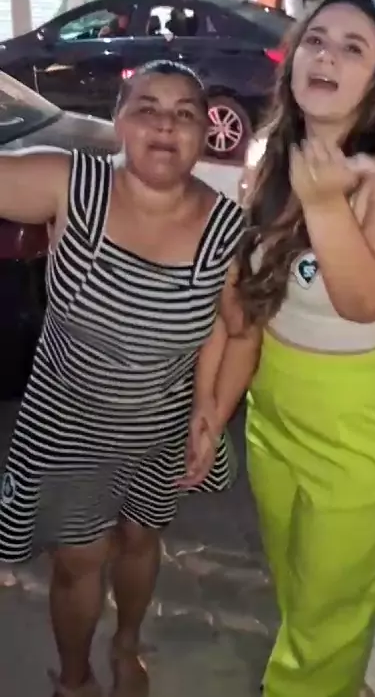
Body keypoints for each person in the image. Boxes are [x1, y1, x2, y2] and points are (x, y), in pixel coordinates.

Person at [196, 0, 375, 697]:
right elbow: (245, 311)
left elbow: (366, 302)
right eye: (316, 39)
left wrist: (328, 204)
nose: (327, 55)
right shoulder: (267, 155)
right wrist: (211, 409)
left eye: (352, 48)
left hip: (363, 427)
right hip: (275, 415)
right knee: (300, 591)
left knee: (331, 611)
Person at [0, 60, 255, 697]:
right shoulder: (72, 183)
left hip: (159, 430)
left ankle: (127, 645)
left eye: (184, 114)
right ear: (118, 123)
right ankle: (75, 680)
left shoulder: (226, 230)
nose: (165, 125)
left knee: (141, 541)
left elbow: (241, 329)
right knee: (78, 560)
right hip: (69, 427)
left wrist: (211, 411)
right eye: (147, 108)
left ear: (205, 134)